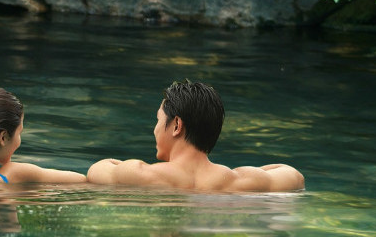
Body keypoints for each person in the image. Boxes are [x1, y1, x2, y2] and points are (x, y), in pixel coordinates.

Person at [87, 80, 305, 192]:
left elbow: (96, 170)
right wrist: (246, 171)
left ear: (176, 125)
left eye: (158, 120)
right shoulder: (242, 181)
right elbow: (293, 175)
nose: (154, 129)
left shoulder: (141, 174)